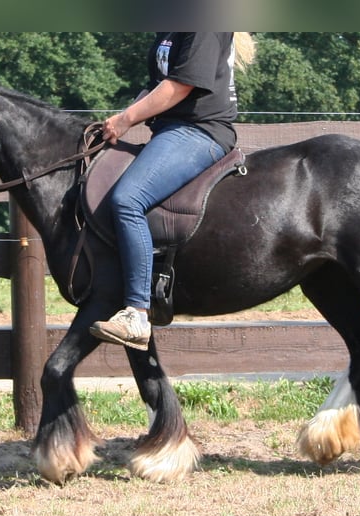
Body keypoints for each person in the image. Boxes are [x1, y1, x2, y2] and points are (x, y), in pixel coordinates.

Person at [90, 32, 255, 351]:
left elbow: (180, 85)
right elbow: (155, 86)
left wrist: (126, 120)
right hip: (170, 130)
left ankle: (137, 314)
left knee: (128, 200)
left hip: (199, 132)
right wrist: (116, 120)